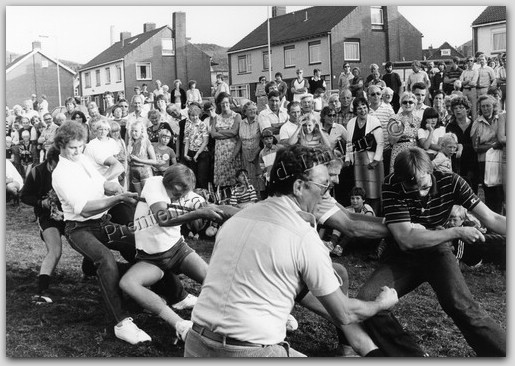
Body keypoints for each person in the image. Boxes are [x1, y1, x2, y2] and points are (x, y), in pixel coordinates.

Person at [184, 144, 399, 357]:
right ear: (298, 187)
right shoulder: (303, 236)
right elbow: (346, 313)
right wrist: (381, 303)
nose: (325, 195)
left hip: (195, 345)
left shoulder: (237, 219)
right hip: (250, 351)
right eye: (324, 187)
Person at [356, 146, 506, 357]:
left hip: (437, 251)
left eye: (423, 186)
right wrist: (455, 232)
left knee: (462, 307)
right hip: (403, 254)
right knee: (367, 301)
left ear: (430, 170)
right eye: (411, 187)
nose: (418, 192)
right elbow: (406, 239)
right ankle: (412, 357)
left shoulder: (452, 181)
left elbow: (493, 218)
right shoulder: (392, 184)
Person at [51, 121, 150, 345]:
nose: (77, 151)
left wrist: (112, 187)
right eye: (72, 148)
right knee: (105, 260)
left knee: (139, 242)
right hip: (78, 228)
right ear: (61, 146)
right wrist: (117, 198)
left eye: (80, 146)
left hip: (102, 222)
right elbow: (84, 209)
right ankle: (122, 322)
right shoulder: (61, 173)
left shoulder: (83, 159)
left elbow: (102, 184)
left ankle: (174, 295)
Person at [119, 164, 228, 342]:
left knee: (215, 282)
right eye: (175, 193)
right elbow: (163, 219)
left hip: (178, 249)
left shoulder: (186, 192)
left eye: (181, 194)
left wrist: (207, 208)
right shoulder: (154, 183)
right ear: (166, 181)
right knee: (128, 283)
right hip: (152, 259)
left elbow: (204, 204)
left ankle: (261, 312)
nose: (177, 197)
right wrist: (197, 213)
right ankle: (180, 325)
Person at [20, 147, 65, 303]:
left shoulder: (72, 169)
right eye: (55, 167)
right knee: (55, 250)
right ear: (49, 161)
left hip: (71, 215)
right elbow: (24, 196)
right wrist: (41, 202)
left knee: (88, 243)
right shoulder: (37, 172)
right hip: (48, 216)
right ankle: (42, 291)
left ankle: (89, 270)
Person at [345, 97, 384, 215]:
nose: (362, 110)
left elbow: (381, 142)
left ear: (367, 108)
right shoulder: (351, 123)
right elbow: (348, 143)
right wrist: (348, 159)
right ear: (355, 110)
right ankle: (361, 216)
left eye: (364, 107)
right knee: (361, 190)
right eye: (359, 108)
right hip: (358, 160)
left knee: (374, 191)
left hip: (372, 160)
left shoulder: (374, 121)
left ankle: (374, 215)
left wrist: (376, 161)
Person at [471, 94, 504, 214]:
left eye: (488, 106)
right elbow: (476, 147)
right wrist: (492, 145)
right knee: (489, 191)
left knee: (500, 191)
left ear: (493, 106)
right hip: (484, 160)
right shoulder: (477, 123)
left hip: (500, 159)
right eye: (483, 106)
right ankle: (491, 222)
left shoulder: (500, 119)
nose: (485, 109)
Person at [445, 96, 479, 193]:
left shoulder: (474, 124)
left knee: (472, 190)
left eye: (461, 107)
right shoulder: (450, 126)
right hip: (457, 162)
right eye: (455, 108)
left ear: (467, 109)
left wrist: (462, 146)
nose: (458, 110)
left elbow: (476, 144)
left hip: (473, 161)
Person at [211, 92, 241, 189]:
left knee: (234, 178)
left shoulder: (236, 116)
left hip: (232, 150)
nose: (225, 105)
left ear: (230, 103)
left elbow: (235, 132)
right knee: (222, 179)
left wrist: (220, 130)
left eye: (227, 102)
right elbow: (213, 134)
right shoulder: (216, 118)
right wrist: (228, 131)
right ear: (219, 104)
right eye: (222, 103)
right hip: (220, 153)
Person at [388, 92, 420, 174]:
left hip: (413, 153)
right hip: (399, 152)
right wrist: (401, 126)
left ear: (415, 104)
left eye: (411, 102)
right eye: (405, 102)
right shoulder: (394, 118)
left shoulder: (418, 120)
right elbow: (392, 141)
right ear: (401, 104)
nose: (408, 104)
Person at [236, 101, 262, 191]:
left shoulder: (260, 120)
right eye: (250, 110)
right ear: (245, 112)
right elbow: (240, 139)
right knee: (247, 177)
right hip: (245, 154)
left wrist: (257, 151)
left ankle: (261, 198)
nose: (252, 111)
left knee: (259, 176)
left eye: (254, 109)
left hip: (257, 152)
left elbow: (263, 138)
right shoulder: (242, 123)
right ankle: (250, 197)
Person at [183, 105, 210, 189]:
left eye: (196, 115)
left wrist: (197, 154)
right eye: (192, 115)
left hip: (202, 153)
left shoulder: (202, 125)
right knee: (193, 176)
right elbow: (187, 141)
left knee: (202, 176)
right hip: (191, 152)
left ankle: (205, 195)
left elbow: (205, 141)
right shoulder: (188, 125)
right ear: (189, 116)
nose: (194, 117)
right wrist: (185, 154)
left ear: (199, 115)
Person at [127, 120, 156, 194]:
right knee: (139, 196)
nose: (133, 133)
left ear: (142, 131)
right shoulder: (131, 143)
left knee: (147, 195)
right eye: (132, 131)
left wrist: (139, 160)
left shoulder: (146, 142)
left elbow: (154, 160)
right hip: (134, 173)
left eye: (136, 131)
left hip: (145, 171)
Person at [258, 128, 279, 196]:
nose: (269, 141)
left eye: (270, 138)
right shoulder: (262, 153)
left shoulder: (278, 149)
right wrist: (264, 174)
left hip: (278, 174)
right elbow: (262, 166)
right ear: (263, 140)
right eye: (266, 139)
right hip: (269, 177)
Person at [108, 121, 128, 189]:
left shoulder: (121, 141)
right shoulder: (108, 142)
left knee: (122, 187)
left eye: (117, 131)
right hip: (113, 169)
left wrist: (125, 169)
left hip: (122, 168)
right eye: (113, 132)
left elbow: (125, 156)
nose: (116, 133)